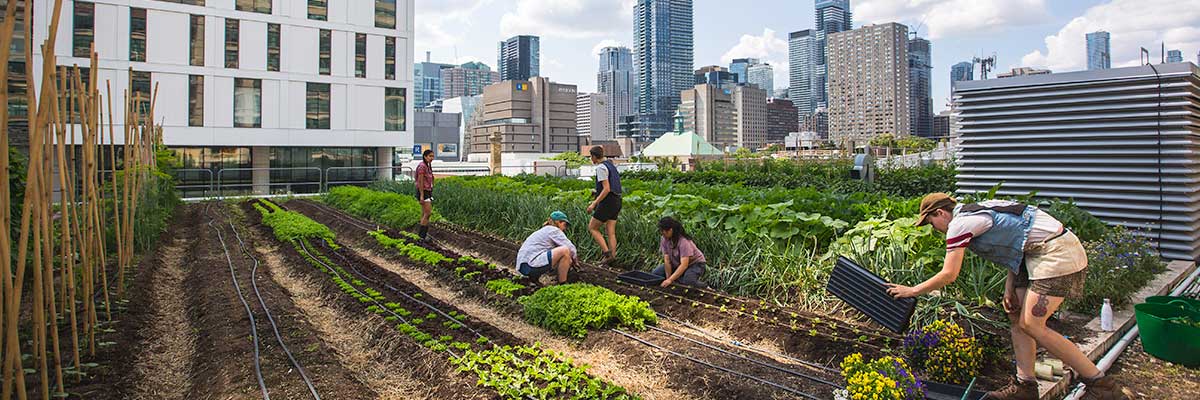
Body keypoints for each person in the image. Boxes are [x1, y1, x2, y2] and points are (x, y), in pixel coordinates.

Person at [886, 193, 1132, 400]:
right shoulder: (977, 210)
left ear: (940, 213)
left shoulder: (960, 224)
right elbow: (1019, 241)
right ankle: (1025, 386)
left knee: (1032, 324)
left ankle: (1100, 385)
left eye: (930, 222)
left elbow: (949, 274)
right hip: (1033, 255)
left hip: (1056, 253)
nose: (934, 229)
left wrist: (913, 290)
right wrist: (1009, 287)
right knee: (1016, 317)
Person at [516, 211, 578, 285]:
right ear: (558, 222)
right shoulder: (554, 230)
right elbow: (570, 248)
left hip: (523, 266)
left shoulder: (544, 230)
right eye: (564, 225)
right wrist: (576, 262)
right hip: (530, 265)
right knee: (565, 250)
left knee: (567, 258)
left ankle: (536, 278)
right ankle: (563, 284)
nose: (565, 228)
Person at [585, 145, 622, 264]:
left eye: (591, 157)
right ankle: (613, 257)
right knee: (610, 231)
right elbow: (611, 186)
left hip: (608, 202)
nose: (591, 159)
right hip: (617, 200)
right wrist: (596, 192)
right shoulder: (611, 165)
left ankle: (607, 254)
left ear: (595, 156)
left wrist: (594, 203)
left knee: (592, 227)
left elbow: (606, 189)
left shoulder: (601, 168)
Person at [651, 217, 708, 288]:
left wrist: (670, 280)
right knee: (655, 274)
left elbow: (684, 265)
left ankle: (705, 286)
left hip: (695, 265)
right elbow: (667, 260)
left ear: (670, 230)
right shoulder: (664, 239)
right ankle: (679, 278)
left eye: (663, 231)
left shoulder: (684, 242)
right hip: (677, 263)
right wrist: (668, 278)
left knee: (689, 282)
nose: (662, 233)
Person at [414, 149, 435, 241]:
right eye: (430, 156)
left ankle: (423, 235)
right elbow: (420, 181)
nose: (431, 158)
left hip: (428, 191)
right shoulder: (422, 166)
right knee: (428, 213)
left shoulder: (428, 166)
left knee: (424, 213)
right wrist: (422, 195)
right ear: (425, 156)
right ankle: (421, 236)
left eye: (432, 156)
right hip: (423, 191)